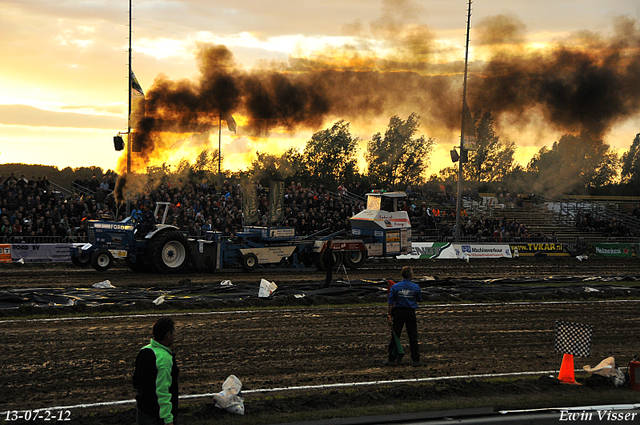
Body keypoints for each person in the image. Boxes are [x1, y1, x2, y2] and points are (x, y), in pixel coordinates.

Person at [133, 317, 179, 425]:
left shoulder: (144, 351)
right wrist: (168, 419)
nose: (175, 335)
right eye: (174, 332)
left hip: (143, 411)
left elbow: (136, 381)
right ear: (168, 335)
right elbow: (163, 391)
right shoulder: (164, 358)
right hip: (157, 416)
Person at [385, 266, 423, 367]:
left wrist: (389, 315)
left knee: (395, 335)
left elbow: (390, 303)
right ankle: (415, 360)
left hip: (398, 313)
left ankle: (391, 359)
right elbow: (419, 299)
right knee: (412, 336)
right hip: (410, 313)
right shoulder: (415, 287)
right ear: (410, 275)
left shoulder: (395, 287)